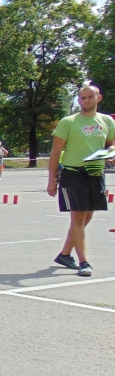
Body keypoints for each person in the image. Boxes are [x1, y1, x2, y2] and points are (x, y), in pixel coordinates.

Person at [48, 83, 115, 277]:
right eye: (83, 98)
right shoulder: (68, 122)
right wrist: (52, 180)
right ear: (79, 101)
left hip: (96, 174)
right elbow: (55, 153)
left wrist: (109, 152)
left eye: (90, 97)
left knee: (87, 217)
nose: (86, 101)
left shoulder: (107, 121)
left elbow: (111, 144)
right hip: (73, 174)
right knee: (77, 217)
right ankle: (84, 262)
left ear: (98, 98)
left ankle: (65, 254)